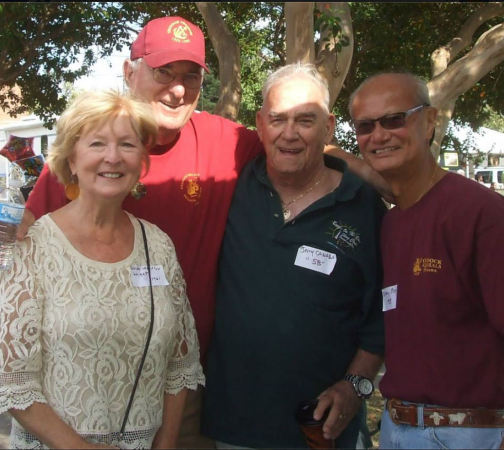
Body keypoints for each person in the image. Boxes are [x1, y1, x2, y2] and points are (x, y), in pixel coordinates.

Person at [18, 16, 390, 448]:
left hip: (188, 388)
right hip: (81, 378)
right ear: (128, 70)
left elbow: (295, 140)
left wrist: (383, 177)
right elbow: (28, 260)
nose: (177, 89)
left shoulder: (227, 143)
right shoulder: (88, 151)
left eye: (190, 77)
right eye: (163, 73)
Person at [0, 90, 204, 449]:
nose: (113, 157)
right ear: (72, 160)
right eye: (97, 143)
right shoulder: (32, 246)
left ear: (141, 160)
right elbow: (12, 379)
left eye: (127, 144)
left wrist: (166, 443)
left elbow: (180, 365)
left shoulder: (158, 246)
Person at [201, 63, 385, 449]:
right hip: (232, 426)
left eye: (305, 120)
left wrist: (356, 387)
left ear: (329, 127)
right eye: (278, 119)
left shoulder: (363, 206)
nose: (289, 133)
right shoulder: (232, 188)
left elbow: (381, 317)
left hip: (322, 430)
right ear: (260, 124)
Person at [349, 72, 504, 449]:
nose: (379, 135)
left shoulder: (479, 213)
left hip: (468, 433)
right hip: (396, 429)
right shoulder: (390, 222)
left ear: (430, 121)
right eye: (365, 126)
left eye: (394, 119)